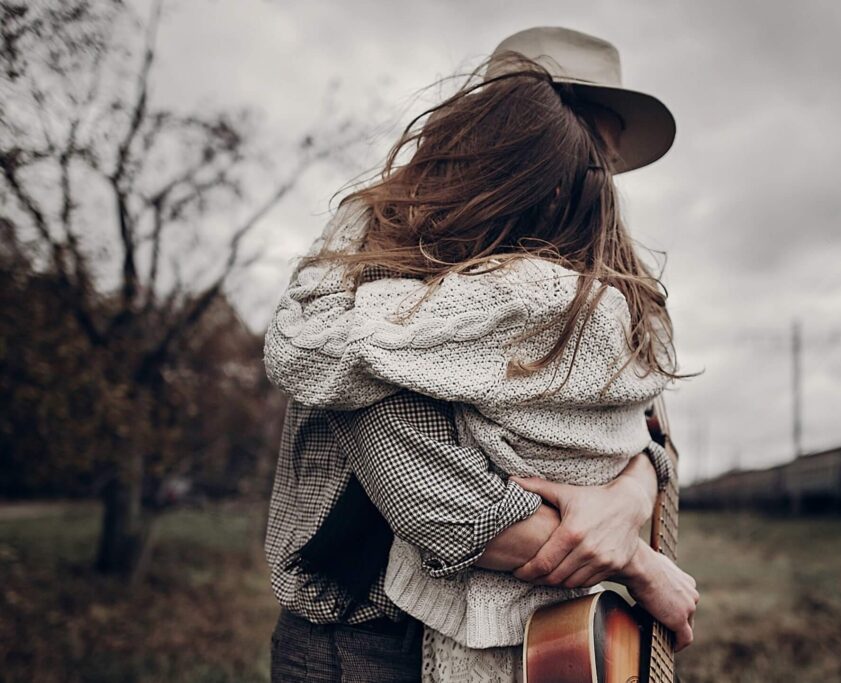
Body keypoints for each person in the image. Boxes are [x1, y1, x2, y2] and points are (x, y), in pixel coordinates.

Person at [262, 26, 699, 682]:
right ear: (509, 134)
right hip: (371, 646)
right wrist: (633, 561)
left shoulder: (594, 281)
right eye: (575, 143)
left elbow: (642, 416)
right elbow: (440, 502)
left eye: (598, 158)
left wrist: (634, 489)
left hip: (543, 637)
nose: (590, 179)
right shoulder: (387, 266)